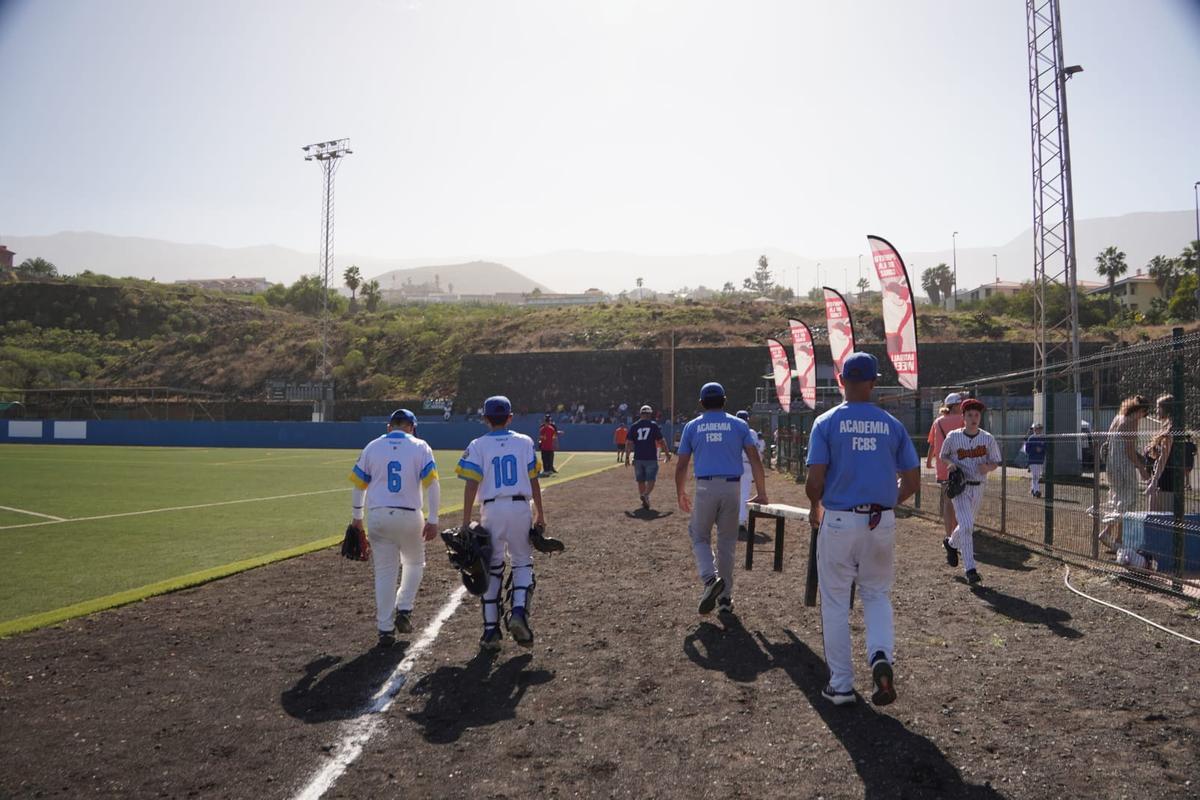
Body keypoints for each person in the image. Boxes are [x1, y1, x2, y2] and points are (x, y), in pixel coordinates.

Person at [805, 352, 919, 707]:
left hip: (839, 519)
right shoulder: (892, 424)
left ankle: (840, 685)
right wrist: (889, 502)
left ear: (841, 381)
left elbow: (814, 480)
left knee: (836, 601)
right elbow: (913, 479)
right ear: (872, 383)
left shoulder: (826, 422)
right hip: (880, 519)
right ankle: (881, 656)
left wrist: (815, 503)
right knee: (876, 594)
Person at [456, 395, 547, 651]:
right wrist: (540, 514)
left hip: (492, 509)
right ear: (510, 417)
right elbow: (534, 480)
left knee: (491, 567)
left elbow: (471, 483)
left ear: (485, 418)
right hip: (520, 507)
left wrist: (465, 521)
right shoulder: (525, 442)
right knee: (522, 561)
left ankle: (490, 632)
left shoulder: (477, 444)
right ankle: (518, 611)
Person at [347, 409, 441, 647]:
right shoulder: (421, 446)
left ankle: (385, 629)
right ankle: (405, 607)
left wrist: (357, 518)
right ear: (411, 426)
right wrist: (433, 518)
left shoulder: (372, 446)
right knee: (414, 563)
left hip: (378, 516)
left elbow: (359, 486)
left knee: (385, 573)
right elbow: (433, 485)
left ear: (390, 426)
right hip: (410, 516)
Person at [675, 382, 767, 617]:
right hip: (733, 487)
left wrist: (680, 492)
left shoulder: (692, 426)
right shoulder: (738, 424)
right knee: (727, 544)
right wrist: (763, 492)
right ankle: (725, 598)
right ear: (725, 400)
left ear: (701, 403)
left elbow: (682, 464)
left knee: (699, 535)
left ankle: (709, 579)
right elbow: (755, 460)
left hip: (705, 486)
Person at [939, 398, 1002, 585]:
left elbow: (996, 461)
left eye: (976, 415)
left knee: (967, 524)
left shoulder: (987, 438)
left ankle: (950, 544)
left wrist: (988, 467)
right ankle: (970, 569)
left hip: (979, 487)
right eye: (969, 415)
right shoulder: (953, 436)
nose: (973, 418)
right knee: (967, 525)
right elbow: (943, 455)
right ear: (963, 417)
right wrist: (950, 464)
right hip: (960, 486)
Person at [1100, 395, 1151, 551]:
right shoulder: (1132, 422)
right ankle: (1117, 538)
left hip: (1112, 465)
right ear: (1141, 410)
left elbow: (1113, 443)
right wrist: (1142, 469)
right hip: (1123, 467)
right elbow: (1129, 451)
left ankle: (1110, 534)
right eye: (1145, 414)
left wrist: (1142, 458)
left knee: (1118, 499)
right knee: (1128, 501)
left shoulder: (1118, 418)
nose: (1143, 417)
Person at [928, 393, 965, 542]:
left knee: (948, 501)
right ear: (956, 405)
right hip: (961, 466)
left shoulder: (937, 422)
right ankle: (958, 534)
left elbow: (932, 444)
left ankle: (948, 535)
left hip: (943, 467)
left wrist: (929, 461)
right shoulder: (963, 420)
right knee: (961, 502)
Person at [626, 404, 671, 509]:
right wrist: (667, 453)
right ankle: (645, 495)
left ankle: (644, 499)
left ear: (640, 414)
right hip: (650, 457)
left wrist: (627, 457)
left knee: (640, 480)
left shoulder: (634, 426)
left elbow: (629, 443)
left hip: (638, 457)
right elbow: (661, 441)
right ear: (650, 414)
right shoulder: (653, 425)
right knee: (651, 479)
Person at [1144, 394, 1180, 514]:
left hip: (1166, 481)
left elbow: (1163, 458)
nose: (1156, 410)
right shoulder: (1165, 428)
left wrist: (1154, 483)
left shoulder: (1171, 432)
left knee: (1164, 519)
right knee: (1153, 516)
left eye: (1158, 407)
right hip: (1160, 479)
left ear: (1166, 409)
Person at [734, 410, 763, 535]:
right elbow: (756, 452)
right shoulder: (751, 432)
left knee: (732, 494)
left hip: (733, 465)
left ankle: (731, 521)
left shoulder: (732, 431)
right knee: (744, 494)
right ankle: (741, 521)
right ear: (747, 419)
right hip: (746, 465)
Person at [1022, 423, 1046, 498]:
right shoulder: (1031, 438)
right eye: (1037, 429)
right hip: (1033, 460)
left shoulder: (1043, 438)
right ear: (1035, 430)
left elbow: (1046, 448)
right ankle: (1036, 491)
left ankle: (1033, 489)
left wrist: (1041, 449)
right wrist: (1035, 450)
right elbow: (1027, 450)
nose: (1038, 430)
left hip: (1040, 460)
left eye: (1040, 429)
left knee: (1037, 476)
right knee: (1035, 476)